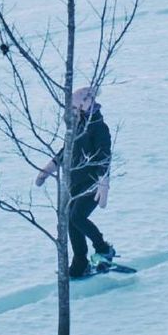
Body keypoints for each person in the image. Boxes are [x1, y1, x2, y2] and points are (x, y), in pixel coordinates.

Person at [35, 87, 115, 279]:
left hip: (93, 184)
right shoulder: (77, 126)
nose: (70, 112)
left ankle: (103, 249)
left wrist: (104, 183)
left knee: (77, 217)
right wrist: (47, 170)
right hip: (76, 184)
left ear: (83, 106)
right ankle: (80, 262)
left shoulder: (99, 127)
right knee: (71, 220)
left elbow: (104, 156)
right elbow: (66, 152)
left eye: (73, 108)